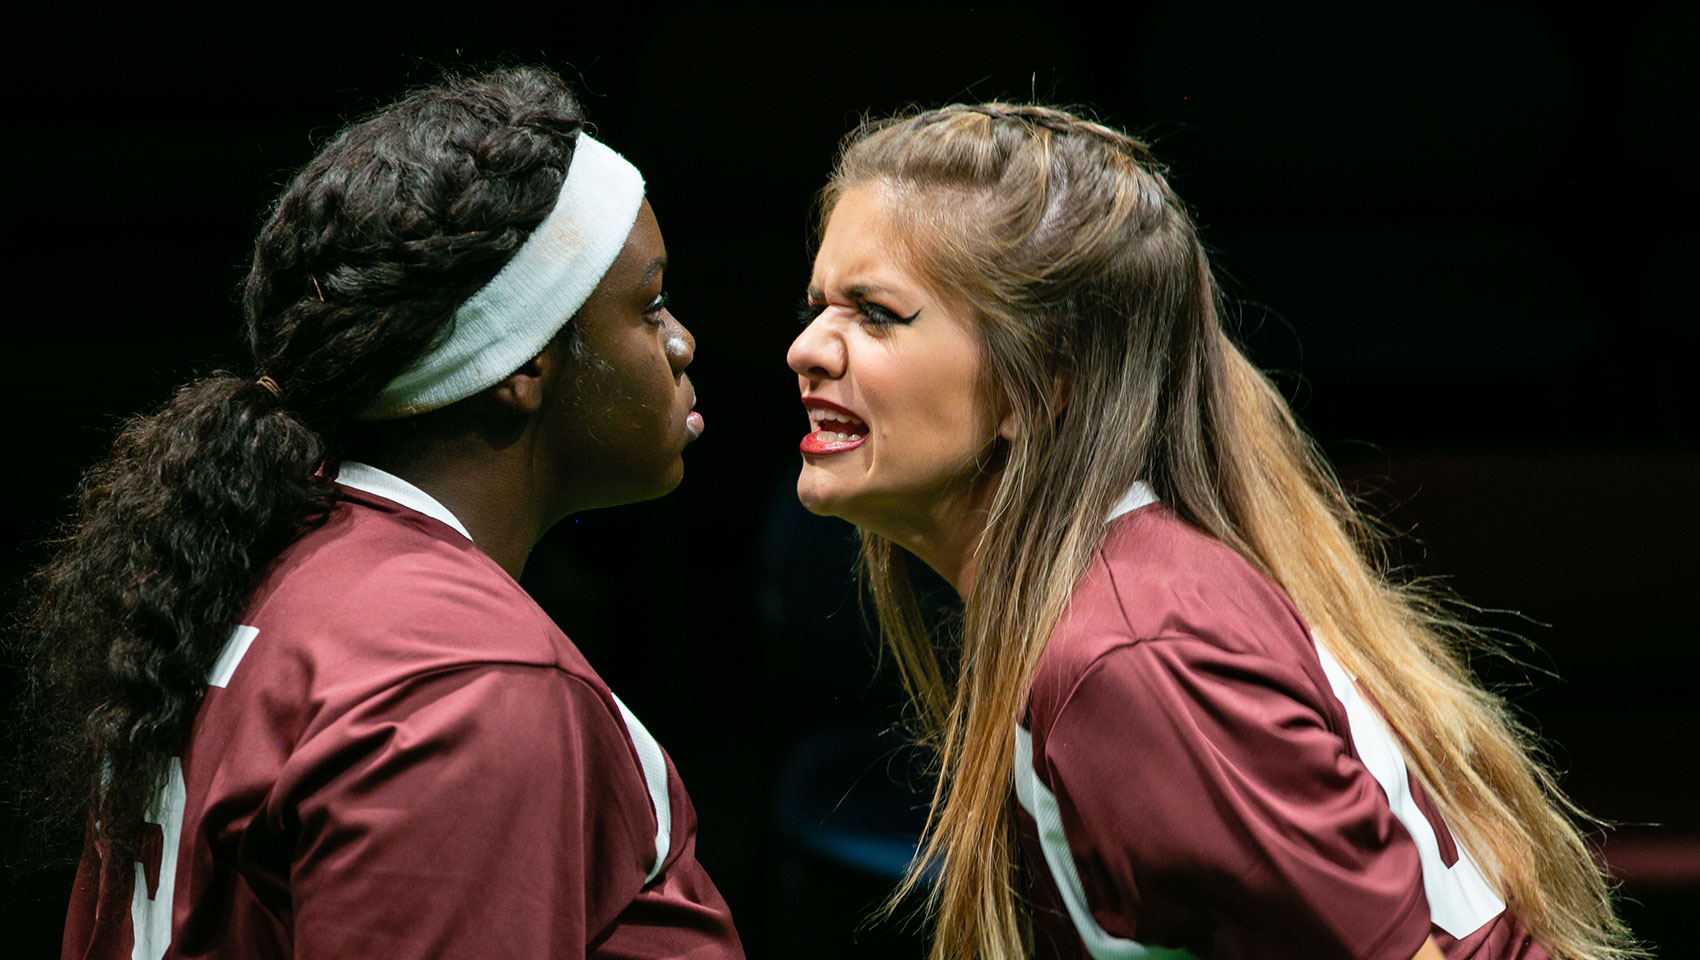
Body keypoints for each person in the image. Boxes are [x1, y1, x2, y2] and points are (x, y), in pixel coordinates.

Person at [786, 103, 1638, 960]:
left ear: (1042, 385)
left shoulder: (1137, 658)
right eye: (819, 304)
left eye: (876, 314)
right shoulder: (1118, 598)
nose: (807, 348)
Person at [24, 67, 741, 959]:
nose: (682, 343)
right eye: (650, 304)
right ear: (523, 363)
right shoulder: (466, 684)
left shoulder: (271, 570)